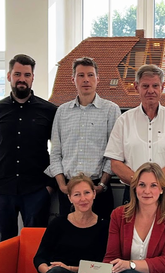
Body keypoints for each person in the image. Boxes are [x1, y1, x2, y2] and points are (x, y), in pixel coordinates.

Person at [0, 54, 57, 242]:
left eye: (27, 75)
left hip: (37, 191)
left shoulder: (49, 111)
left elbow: (59, 150)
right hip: (1, 192)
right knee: (4, 246)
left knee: (35, 246)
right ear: (9, 76)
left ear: (32, 78)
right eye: (17, 74)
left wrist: (50, 186)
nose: (22, 79)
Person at [104, 64, 165, 210]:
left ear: (162, 87)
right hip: (134, 195)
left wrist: (151, 182)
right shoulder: (123, 120)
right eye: (145, 86)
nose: (150, 90)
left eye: (155, 86)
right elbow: (115, 163)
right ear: (136, 87)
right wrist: (142, 185)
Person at [47, 57, 121, 220]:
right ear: (73, 79)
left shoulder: (111, 110)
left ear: (97, 79)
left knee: (100, 240)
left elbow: (114, 152)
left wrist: (102, 184)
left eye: (90, 75)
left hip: (97, 189)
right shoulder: (62, 112)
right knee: (69, 239)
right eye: (81, 75)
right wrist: (62, 185)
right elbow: (55, 152)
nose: (86, 79)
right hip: (69, 189)